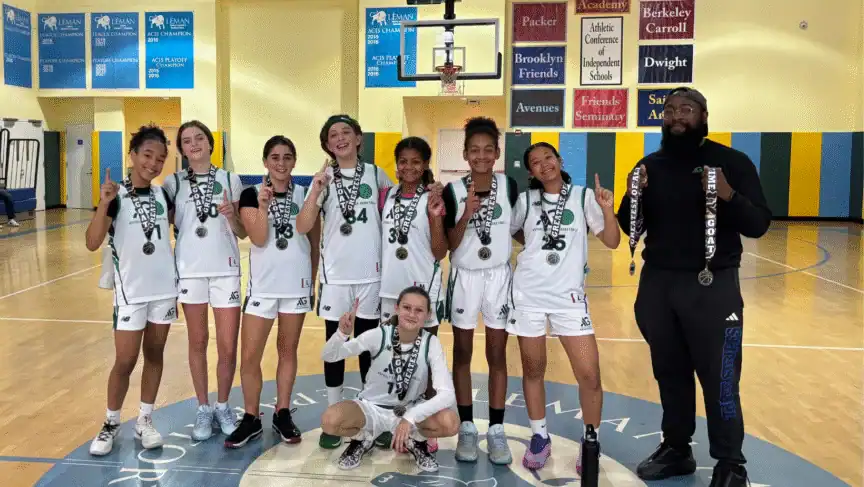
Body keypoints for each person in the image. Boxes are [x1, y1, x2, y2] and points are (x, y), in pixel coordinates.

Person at [617, 87, 771, 487]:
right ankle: (676, 448)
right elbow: (629, 226)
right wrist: (636, 194)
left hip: (712, 285)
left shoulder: (731, 162)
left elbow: (758, 224)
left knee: (720, 377)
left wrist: (729, 195)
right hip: (658, 286)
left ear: (704, 115)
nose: (676, 115)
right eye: (669, 110)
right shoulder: (649, 164)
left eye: (686, 109)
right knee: (669, 372)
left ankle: (731, 464)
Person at [508, 142, 620, 475]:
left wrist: (608, 208)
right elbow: (513, 231)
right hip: (528, 295)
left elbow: (612, 241)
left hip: (569, 300)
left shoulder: (585, 197)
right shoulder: (526, 200)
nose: (544, 165)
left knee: (589, 375)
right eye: (535, 162)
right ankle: (539, 437)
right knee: (533, 369)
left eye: (548, 158)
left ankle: (591, 443)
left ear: (559, 160)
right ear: (530, 172)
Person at [295, 114, 393, 449]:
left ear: (359, 138)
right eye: (333, 135)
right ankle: (333, 417)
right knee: (335, 348)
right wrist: (316, 191)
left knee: (369, 350)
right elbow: (303, 225)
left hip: (372, 276)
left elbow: (394, 218)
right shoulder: (322, 179)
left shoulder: (377, 174)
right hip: (336, 278)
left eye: (346, 132)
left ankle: (371, 416)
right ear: (326, 144)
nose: (340, 138)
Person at [85, 125, 177, 456]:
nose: (153, 164)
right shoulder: (115, 196)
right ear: (133, 155)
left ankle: (145, 420)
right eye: (148, 155)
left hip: (164, 290)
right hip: (130, 293)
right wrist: (102, 203)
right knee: (125, 360)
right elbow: (93, 242)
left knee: (155, 355)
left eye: (161, 159)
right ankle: (111, 422)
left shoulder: (163, 195)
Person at [225, 136, 320, 448]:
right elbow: (260, 238)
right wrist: (263, 206)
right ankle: (251, 417)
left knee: (287, 350)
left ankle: (282, 412)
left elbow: (314, 243)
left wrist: (314, 279)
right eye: (275, 157)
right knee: (250, 356)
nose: (281, 163)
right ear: (265, 161)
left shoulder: (306, 193)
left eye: (287, 157)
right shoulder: (252, 194)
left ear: (294, 161)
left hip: (296, 285)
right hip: (263, 287)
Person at [441, 116, 518, 465]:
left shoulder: (510, 186)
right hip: (465, 276)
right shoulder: (454, 191)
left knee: (497, 354)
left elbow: (519, 229)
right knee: (462, 353)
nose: (482, 156)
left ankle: (497, 430)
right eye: (475, 150)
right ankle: (468, 427)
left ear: (498, 152)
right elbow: (448, 245)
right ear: (465, 154)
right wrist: (466, 216)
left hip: (498, 278)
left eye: (488, 149)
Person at [163, 120, 246, 441]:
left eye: (200, 138)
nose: (194, 143)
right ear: (182, 149)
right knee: (197, 342)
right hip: (190, 271)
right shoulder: (173, 183)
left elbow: (241, 232)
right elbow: (164, 225)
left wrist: (231, 216)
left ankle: (223, 404)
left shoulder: (230, 179)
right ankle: (202, 407)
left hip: (225, 270)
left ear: (211, 144)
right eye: (187, 140)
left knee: (227, 345)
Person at [320, 286, 459, 472]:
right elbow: (329, 356)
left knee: (450, 423)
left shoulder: (431, 343)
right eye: (407, 308)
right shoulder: (379, 335)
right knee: (330, 420)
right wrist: (341, 334)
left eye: (419, 310)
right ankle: (363, 439)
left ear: (428, 315)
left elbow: (448, 394)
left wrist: (411, 417)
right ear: (397, 308)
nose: (411, 314)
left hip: (410, 408)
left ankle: (416, 441)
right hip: (371, 408)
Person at [378, 136, 447, 450]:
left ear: (425, 165)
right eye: (403, 161)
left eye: (416, 161)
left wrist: (435, 216)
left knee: (425, 360)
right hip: (391, 290)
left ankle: (427, 426)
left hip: (423, 289)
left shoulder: (433, 198)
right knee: (393, 359)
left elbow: (439, 250)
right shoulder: (386, 196)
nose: (409, 167)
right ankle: (395, 420)